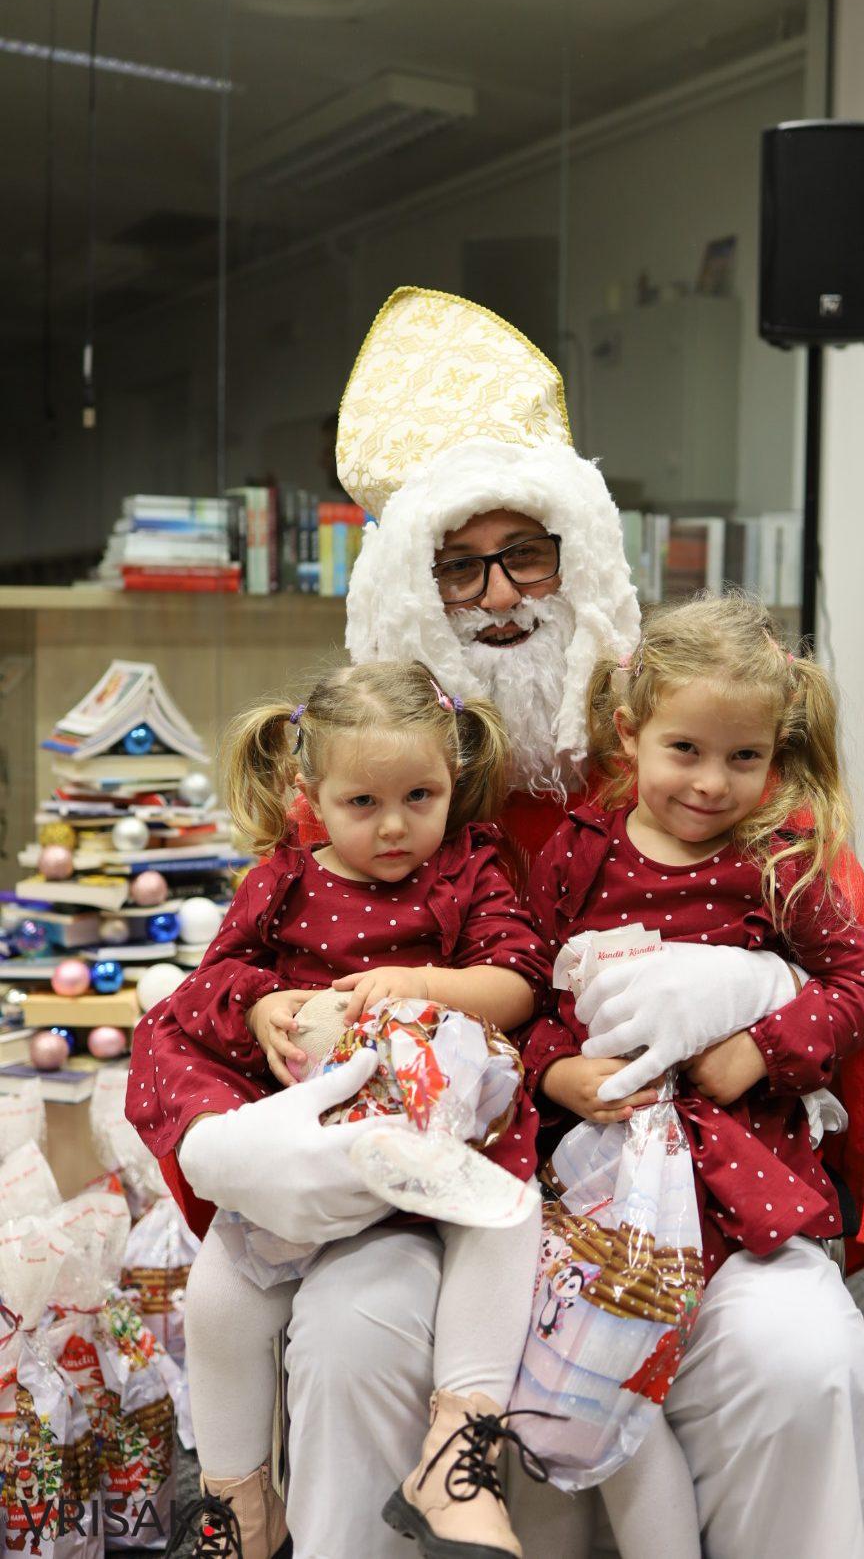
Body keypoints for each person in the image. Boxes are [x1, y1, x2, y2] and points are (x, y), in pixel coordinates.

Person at [138, 289, 864, 1558]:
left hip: (684, 1180)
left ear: (582, 562)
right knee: (347, 1338)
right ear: (412, 589)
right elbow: (244, 996)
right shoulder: (379, 803)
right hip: (439, 1187)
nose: (498, 595)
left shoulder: (688, 767)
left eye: (529, 555)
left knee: (800, 1365)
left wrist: (740, 1001)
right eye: (459, 562)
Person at [128, 661, 554, 1559]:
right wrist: (258, 1007)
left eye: (420, 795)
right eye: (364, 803)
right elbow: (212, 983)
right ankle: (238, 1508)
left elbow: (518, 983)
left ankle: (456, 1448)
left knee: (508, 1215)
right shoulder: (282, 880)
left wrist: (420, 983)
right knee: (219, 1294)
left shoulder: (467, 869)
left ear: (452, 783)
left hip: (441, 1136)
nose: (396, 826)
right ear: (308, 792)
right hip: (315, 1147)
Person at [518, 591, 864, 1559]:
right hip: (601, 1186)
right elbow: (532, 1005)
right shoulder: (576, 857)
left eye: (744, 757)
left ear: (776, 753)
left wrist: (757, 1049)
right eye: (684, 750)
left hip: (738, 1167)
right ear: (628, 731)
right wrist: (562, 1079)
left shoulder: (779, 864)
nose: (711, 784)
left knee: (798, 1358)